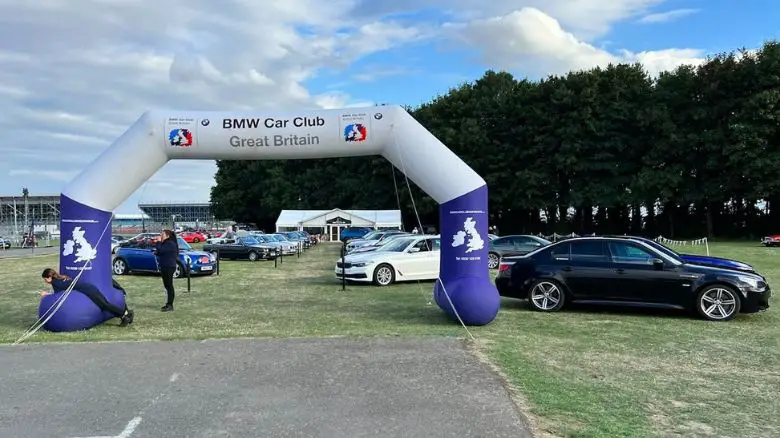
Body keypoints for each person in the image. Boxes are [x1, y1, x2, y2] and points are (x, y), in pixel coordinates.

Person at [41, 268, 134, 326]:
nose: (45, 281)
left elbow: (57, 295)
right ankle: (125, 315)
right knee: (104, 305)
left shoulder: (55, 282)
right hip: (89, 288)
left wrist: (46, 294)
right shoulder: (60, 279)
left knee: (105, 305)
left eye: (45, 279)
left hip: (89, 290)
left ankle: (125, 314)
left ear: (49, 278)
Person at [153, 229, 179, 312]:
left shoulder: (170, 243)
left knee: (169, 286)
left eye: (162, 234)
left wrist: (158, 242)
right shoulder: (167, 243)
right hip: (165, 266)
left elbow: (161, 250)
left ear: (167, 236)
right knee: (167, 286)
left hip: (169, 266)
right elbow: (161, 252)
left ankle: (170, 305)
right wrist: (156, 252)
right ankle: (168, 304)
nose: (161, 236)